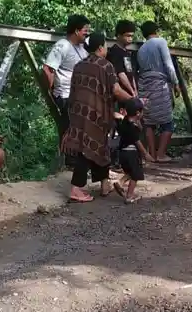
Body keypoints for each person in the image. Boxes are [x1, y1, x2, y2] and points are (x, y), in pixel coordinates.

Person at [63, 32, 135, 203]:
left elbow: (72, 90)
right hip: (97, 114)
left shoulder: (79, 65)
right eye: (106, 46)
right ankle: (76, 188)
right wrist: (133, 100)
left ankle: (104, 184)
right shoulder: (106, 66)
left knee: (99, 147)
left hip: (78, 113)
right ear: (101, 47)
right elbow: (116, 90)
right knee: (87, 148)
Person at [137, 20, 180, 162]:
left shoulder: (141, 49)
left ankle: (152, 155)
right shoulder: (160, 42)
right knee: (168, 122)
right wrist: (176, 83)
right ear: (156, 31)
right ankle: (161, 154)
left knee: (148, 122)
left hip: (144, 86)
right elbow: (168, 65)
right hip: (159, 85)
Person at [44, 14, 90, 123]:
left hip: (80, 97)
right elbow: (48, 69)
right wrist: (51, 91)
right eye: (85, 30)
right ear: (76, 31)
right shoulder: (62, 45)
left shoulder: (83, 48)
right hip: (66, 96)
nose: (88, 33)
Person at [113, 98, 154, 204]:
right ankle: (129, 196)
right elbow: (137, 142)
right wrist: (145, 154)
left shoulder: (125, 122)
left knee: (130, 172)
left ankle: (120, 182)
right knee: (135, 175)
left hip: (122, 152)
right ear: (137, 113)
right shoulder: (133, 128)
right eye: (142, 111)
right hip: (131, 153)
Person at [108, 20, 138, 99]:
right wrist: (132, 91)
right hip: (121, 94)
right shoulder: (114, 51)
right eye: (127, 36)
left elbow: (131, 73)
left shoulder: (127, 52)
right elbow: (121, 74)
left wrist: (135, 90)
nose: (130, 39)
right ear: (119, 35)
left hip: (130, 93)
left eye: (132, 36)